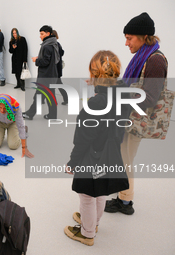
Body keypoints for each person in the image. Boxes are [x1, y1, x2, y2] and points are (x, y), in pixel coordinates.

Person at [64, 50, 131, 246]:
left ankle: (87, 233)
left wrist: (73, 162)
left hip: (92, 154)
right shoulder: (123, 93)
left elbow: (83, 138)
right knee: (100, 190)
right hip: (111, 151)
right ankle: (94, 223)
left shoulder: (96, 103)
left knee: (86, 194)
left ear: (94, 74)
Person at [104, 12, 168, 215]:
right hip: (127, 117)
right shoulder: (143, 57)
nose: (126, 43)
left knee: (125, 160)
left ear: (144, 37)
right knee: (122, 157)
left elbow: (149, 98)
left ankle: (125, 202)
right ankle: (122, 195)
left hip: (135, 120)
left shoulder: (155, 61)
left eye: (129, 38)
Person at [23, 25, 60, 120]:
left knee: (38, 97)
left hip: (45, 76)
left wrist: (37, 59)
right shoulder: (54, 43)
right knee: (50, 97)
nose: (40, 36)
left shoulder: (47, 46)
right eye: (40, 34)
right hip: (52, 75)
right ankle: (52, 115)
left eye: (42, 34)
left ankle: (30, 114)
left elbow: (45, 62)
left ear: (48, 34)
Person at [52, 29, 68, 105]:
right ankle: (66, 99)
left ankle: (54, 101)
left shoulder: (54, 45)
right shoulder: (58, 44)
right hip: (57, 69)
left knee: (52, 86)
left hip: (54, 70)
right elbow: (62, 53)